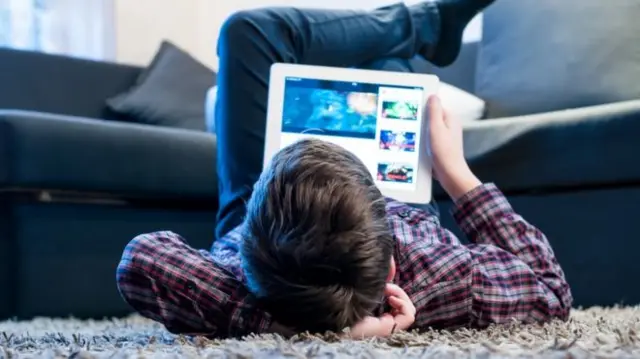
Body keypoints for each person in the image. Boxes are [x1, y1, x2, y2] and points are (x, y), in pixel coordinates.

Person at [116, 0, 573, 339]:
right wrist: (456, 173)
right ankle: (427, 23)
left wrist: (286, 324)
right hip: (399, 216)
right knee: (389, 69)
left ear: (248, 255)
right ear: (393, 268)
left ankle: (428, 24)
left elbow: (141, 259)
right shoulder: (439, 269)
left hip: (276, 242)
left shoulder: (240, 274)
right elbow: (551, 292)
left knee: (246, 31)